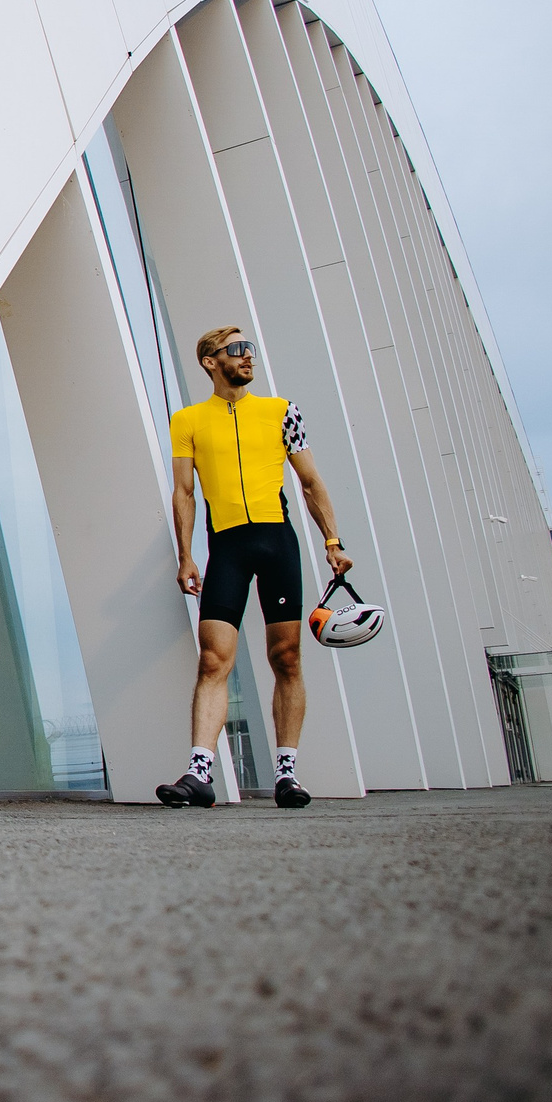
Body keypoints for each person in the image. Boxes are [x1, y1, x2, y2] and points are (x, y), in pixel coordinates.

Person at [158, 326, 353, 810]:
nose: (247, 358)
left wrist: (333, 542)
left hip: (276, 541)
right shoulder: (187, 420)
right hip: (226, 545)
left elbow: (309, 482)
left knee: (286, 658)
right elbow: (184, 493)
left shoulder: (282, 412)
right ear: (210, 361)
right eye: (236, 351)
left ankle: (287, 772)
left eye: (249, 350)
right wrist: (185, 556)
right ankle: (199, 773)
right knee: (212, 659)